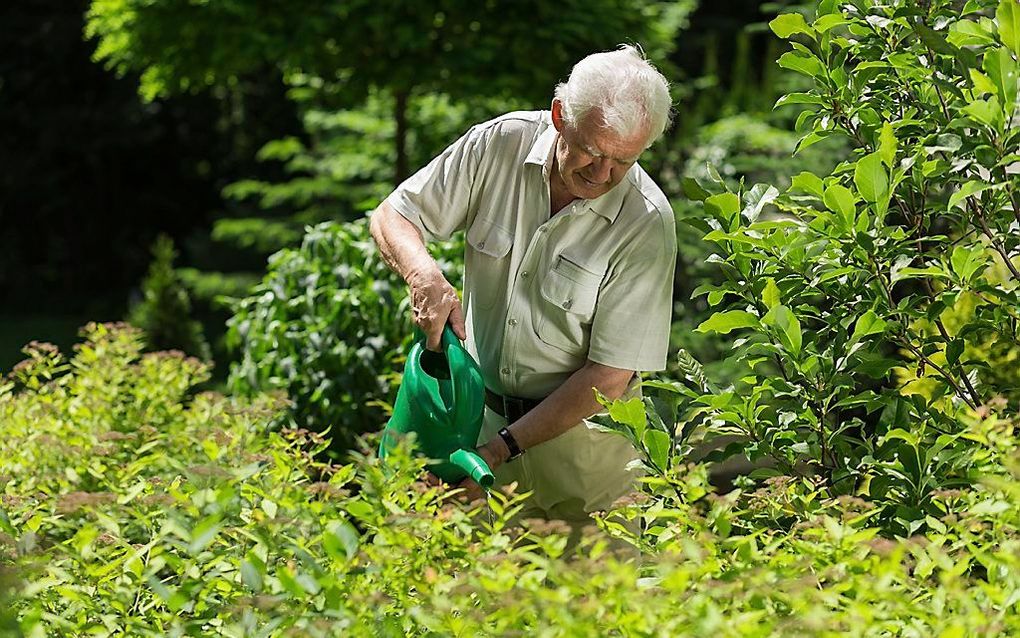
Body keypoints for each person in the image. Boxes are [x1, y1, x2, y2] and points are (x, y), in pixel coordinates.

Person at [370, 44, 676, 525]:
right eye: (592, 151)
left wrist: (497, 452)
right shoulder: (498, 145)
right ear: (559, 116)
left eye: (623, 160)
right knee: (469, 596)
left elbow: (610, 377)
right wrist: (423, 274)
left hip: (587, 461)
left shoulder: (647, 222)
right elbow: (395, 214)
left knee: (587, 598)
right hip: (477, 422)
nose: (602, 175)